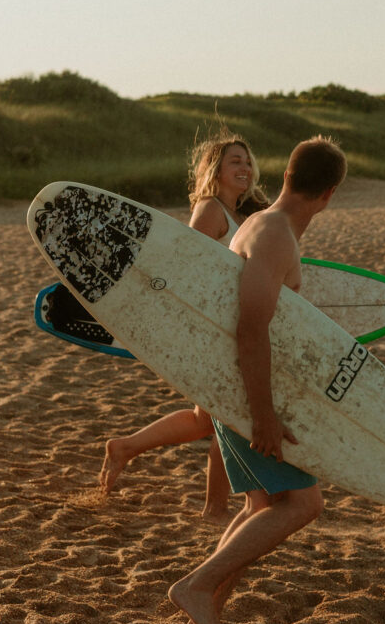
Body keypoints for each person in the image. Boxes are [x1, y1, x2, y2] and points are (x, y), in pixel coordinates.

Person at [168, 136, 347, 624]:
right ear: (329, 193)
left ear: (288, 175)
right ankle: (196, 587)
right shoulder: (272, 234)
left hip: (235, 387)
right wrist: (263, 413)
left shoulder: (265, 225)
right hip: (245, 391)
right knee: (302, 504)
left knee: (260, 507)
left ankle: (201, 621)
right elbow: (250, 328)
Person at [98, 130, 268, 523]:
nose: (244, 167)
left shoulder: (243, 213)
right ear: (216, 170)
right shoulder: (210, 210)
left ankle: (125, 447)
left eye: (247, 161)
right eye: (234, 161)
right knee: (230, 418)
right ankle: (215, 508)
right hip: (212, 330)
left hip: (229, 325)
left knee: (205, 420)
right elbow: (186, 272)